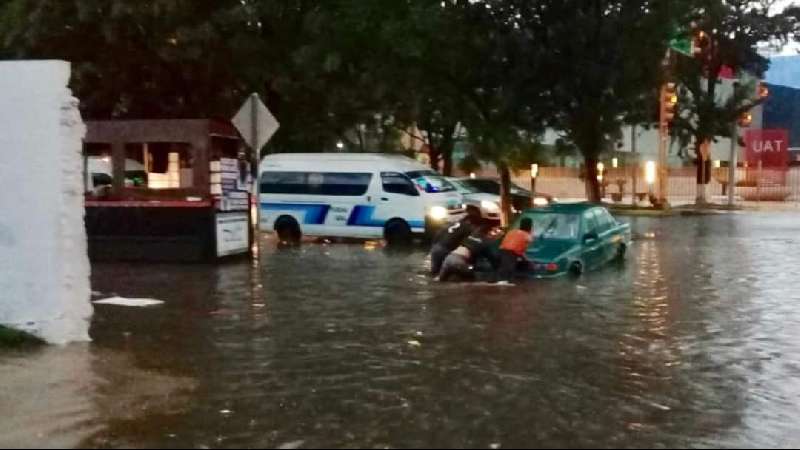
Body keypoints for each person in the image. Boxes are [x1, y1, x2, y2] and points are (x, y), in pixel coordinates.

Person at [429, 206, 481, 276]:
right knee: (448, 272)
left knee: (434, 272)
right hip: (446, 250)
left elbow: (438, 234)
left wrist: (433, 247)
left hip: (436, 247)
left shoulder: (453, 223)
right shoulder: (468, 227)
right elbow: (468, 244)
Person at [497, 217, 534, 283]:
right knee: (507, 270)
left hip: (502, 251)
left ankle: (503, 281)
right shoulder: (527, 236)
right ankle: (504, 282)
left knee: (505, 268)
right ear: (530, 226)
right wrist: (526, 259)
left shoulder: (512, 232)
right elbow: (522, 250)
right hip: (511, 253)